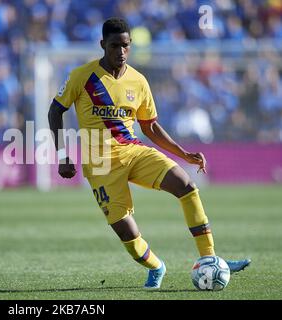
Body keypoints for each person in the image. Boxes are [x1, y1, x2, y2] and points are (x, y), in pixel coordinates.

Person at [48, 17, 250, 290]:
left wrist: (184, 154)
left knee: (187, 187)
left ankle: (210, 258)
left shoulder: (138, 81)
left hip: (134, 151)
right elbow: (55, 110)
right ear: (102, 45)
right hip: (100, 166)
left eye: (126, 46)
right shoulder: (82, 76)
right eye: (114, 46)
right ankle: (156, 265)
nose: (121, 52)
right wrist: (62, 155)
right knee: (126, 232)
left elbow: (151, 126)